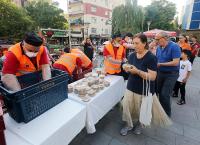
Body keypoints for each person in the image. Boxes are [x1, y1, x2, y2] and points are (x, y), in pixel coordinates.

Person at [121, 34, 171, 136]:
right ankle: (129, 124)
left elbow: (152, 77)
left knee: (141, 109)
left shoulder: (151, 58)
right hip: (131, 87)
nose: (134, 46)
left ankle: (139, 124)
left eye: (137, 43)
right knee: (127, 107)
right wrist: (125, 67)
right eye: (133, 43)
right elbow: (130, 70)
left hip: (144, 89)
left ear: (144, 43)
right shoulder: (131, 56)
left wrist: (138, 71)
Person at [156, 31, 181, 117]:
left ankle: (166, 114)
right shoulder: (159, 47)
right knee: (157, 91)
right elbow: (157, 59)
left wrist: (160, 64)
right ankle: (159, 109)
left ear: (164, 38)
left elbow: (175, 62)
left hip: (171, 74)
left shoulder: (174, 47)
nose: (156, 41)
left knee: (164, 94)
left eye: (157, 39)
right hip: (160, 72)